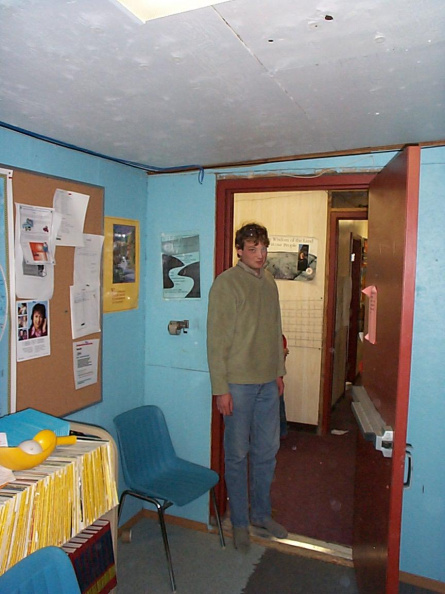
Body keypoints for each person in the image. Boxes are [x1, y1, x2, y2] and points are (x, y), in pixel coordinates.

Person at [207, 222, 288, 553]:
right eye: (253, 249)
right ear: (239, 250)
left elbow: (275, 330)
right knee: (237, 455)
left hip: (268, 381)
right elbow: (216, 341)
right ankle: (239, 522)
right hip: (237, 385)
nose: (260, 255)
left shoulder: (269, 282)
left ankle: (261, 515)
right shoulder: (226, 284)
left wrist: (279, 371)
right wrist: (220, 388)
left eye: (263, 248)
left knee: (267, 452)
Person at [280, 334, 289, 439]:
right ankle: (282, 431)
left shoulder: (280, 338)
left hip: (274, 378)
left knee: (279, 407)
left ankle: (282, 431)